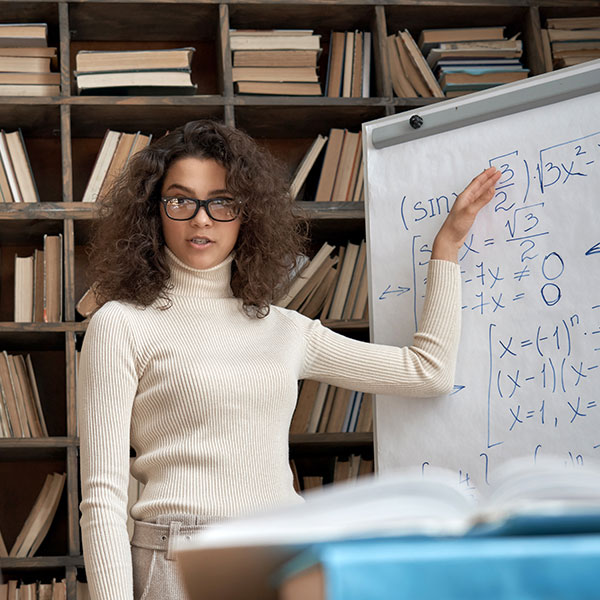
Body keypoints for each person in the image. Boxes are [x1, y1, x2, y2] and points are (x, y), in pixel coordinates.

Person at [77, 119, 501, 600]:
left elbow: (428, 372)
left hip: (285, 556)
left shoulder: (285, 329)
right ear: (154, 211)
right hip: (179, 564)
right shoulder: (121, 324)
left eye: (222, 202)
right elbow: (102, 500)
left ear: (247, 214)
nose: (201, 219)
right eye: (181, 200)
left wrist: (446, 247)